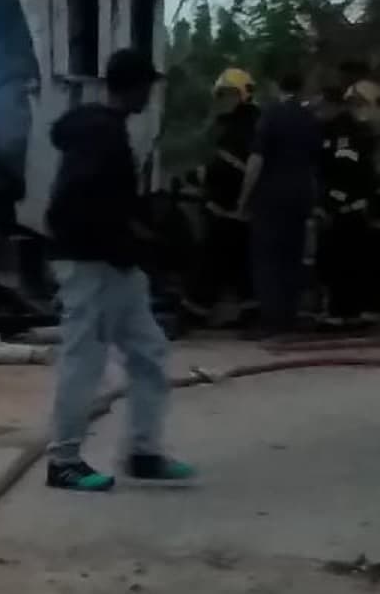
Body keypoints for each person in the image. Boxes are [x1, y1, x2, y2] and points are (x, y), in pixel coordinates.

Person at [44, 48, 194, 492]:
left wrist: (136, 238)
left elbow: (109, 201)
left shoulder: (104, 130)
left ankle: (143, 452)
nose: (150, 95)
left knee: (149, 353)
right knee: (83, 360)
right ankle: (64, 461)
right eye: (147, 86)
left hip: (119, 265)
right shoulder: (101, 136)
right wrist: (120, 240)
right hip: (92, 263)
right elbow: (77, 202)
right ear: (133, 86)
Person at [235, 69, 323, 336]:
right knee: (292, 256)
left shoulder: (271, 115)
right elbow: (316, 165)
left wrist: (243, 199)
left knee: (267, 258)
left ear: (276, 86)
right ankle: (288, 317)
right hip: (300, 197)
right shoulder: (310, 119)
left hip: (271, 197)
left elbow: (256, 161)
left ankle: (270, 320)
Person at [182, 68, 259, 326]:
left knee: (210, 263)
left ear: (244, 95)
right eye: (222, 95)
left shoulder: (243, 128)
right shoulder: (239, 124)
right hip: (233, 209)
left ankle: (192, 314)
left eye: (229, 95)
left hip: (230, 209)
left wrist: (199, 177)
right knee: (239, 265)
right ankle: (251, 312)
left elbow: (228, 169)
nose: (224, 100)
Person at [315, 84, 376, 323]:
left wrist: (331, 202)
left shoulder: (341, 133)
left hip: (344, 209)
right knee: (353, 263)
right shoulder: (357, 130)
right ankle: (351, 313)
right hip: (356, 207)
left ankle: (339, 314)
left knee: (339, 262)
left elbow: (345, 171)